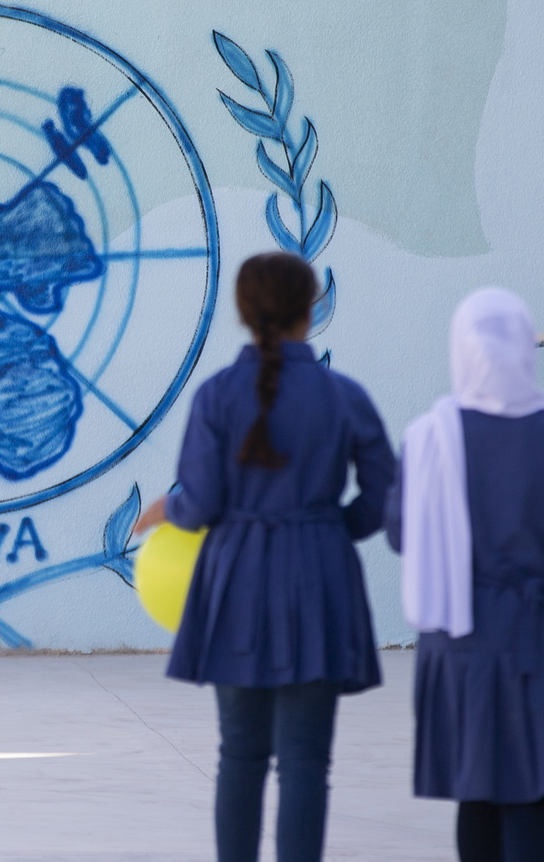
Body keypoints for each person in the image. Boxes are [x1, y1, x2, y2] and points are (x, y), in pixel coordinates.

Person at [133, 252, 396, 862]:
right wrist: (331, 529)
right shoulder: (344, 396)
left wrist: (167, 509)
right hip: (320, 580)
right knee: (307, 760)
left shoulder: (216, 396)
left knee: (240, 756)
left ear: (245, 313)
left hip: (237, 584)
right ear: (312, 311)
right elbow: (386, 494)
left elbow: (198, 507)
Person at [386, 288, 544, 862]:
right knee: (531, 790)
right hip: (542, 637)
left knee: (478, 791)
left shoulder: (429, 438)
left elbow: (399, 535)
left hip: (460, 641)